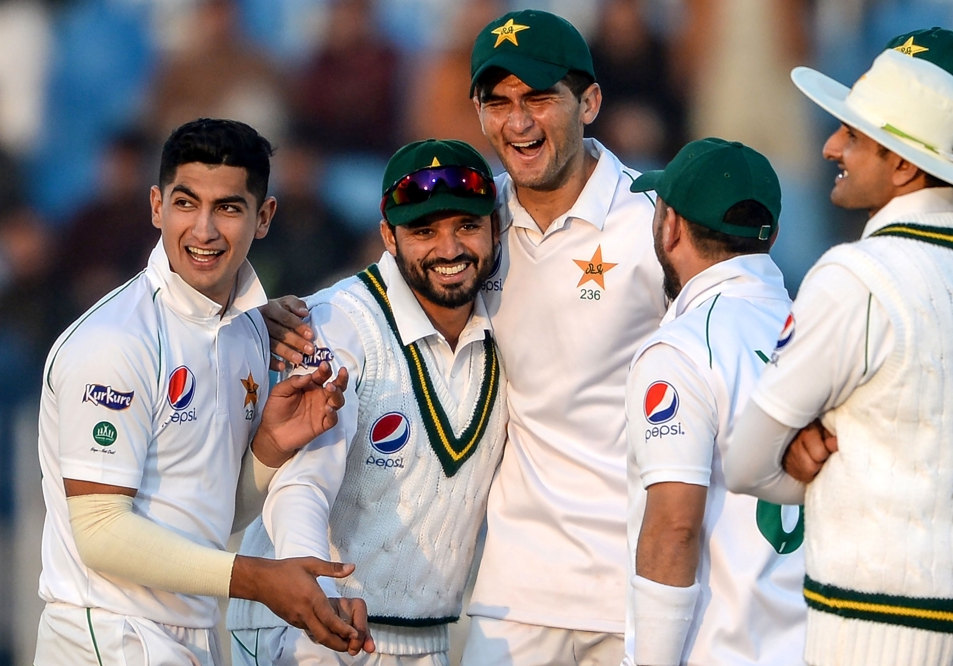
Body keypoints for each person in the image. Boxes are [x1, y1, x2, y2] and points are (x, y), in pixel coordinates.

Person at [262, 11, 666, 664]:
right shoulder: (480, 208)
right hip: (512, 600)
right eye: (498, 102)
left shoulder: (655, 223)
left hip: (631, 589)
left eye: (538, 99)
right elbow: (372, 295)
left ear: (589, 101)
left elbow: (737, 328)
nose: (519, 122)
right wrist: (273, 315)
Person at [34, 118, 370, 665]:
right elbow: (100, 532)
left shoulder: (249, 332)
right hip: (105, 634)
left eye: (230, 208)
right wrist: (257, 579)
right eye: (186, 203)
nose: (204, 230)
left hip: (190, 632)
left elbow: (209, 517)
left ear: (264, 217)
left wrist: (270, 449)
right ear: (156, 207)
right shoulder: (114, 342)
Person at [227, 138, 507, 666]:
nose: (449, 249)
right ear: (388, 236)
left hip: (426, 638)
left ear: (495, 228)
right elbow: (302, 481)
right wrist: (315, 589)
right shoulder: (336, 324)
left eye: (466, 226)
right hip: (311, 629)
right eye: (424, 231)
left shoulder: (505, 324)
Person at [723, 28, 953, 666]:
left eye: (853, 135)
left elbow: (744, 461)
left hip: (868, 628)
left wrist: (805, 461)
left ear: (904, 163)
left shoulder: (856, 278)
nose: (830, 146)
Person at [622, 138, 805, 666]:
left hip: (722, 649)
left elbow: (673, 527)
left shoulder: (679, 349)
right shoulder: (816, 329)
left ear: (672, 225)